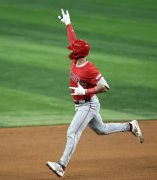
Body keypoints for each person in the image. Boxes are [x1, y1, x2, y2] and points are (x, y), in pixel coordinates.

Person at [46, 9, 143, 177]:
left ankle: (61, 165)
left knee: (72, 133)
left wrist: (86, 90)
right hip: (82, 105)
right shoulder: (77, 58)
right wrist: (68, 24)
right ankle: (131, 126)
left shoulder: (90, 69)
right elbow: (74, 41)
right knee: (101, 130)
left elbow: (105, 86)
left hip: (88, 105)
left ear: (79, 54)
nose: (71, 50)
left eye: (74, 50)